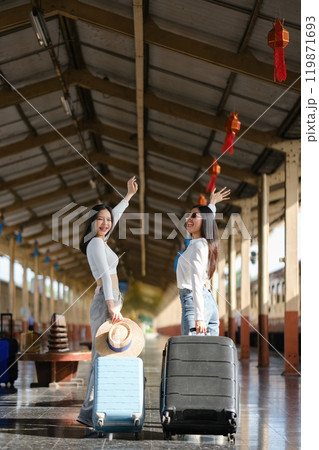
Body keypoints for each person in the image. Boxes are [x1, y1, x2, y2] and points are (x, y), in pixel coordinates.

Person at [77, 176, 138, 427]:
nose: (105, 223)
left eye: (108, 220)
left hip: (110, 301)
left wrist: (128, 197)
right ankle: (89, 410)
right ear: (92, 222)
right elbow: (104, 275)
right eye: (100, 219)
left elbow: (113, 216)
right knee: (100, 357)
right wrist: (113, 307)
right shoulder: (95, 244)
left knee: (107, 356)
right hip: (106, 302)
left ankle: (94, 408)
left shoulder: (100, 241)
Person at [176, 187, 230, 336]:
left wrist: (199, 317)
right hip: (208, 302)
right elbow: (206, 218)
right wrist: (211, 204)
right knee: (210, 354)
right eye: (189, 216)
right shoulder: (201, 243)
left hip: (194, 301)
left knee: (191, 354)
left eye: (194, 216)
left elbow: (196, 280)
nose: (189, 219)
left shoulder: (199, 246)